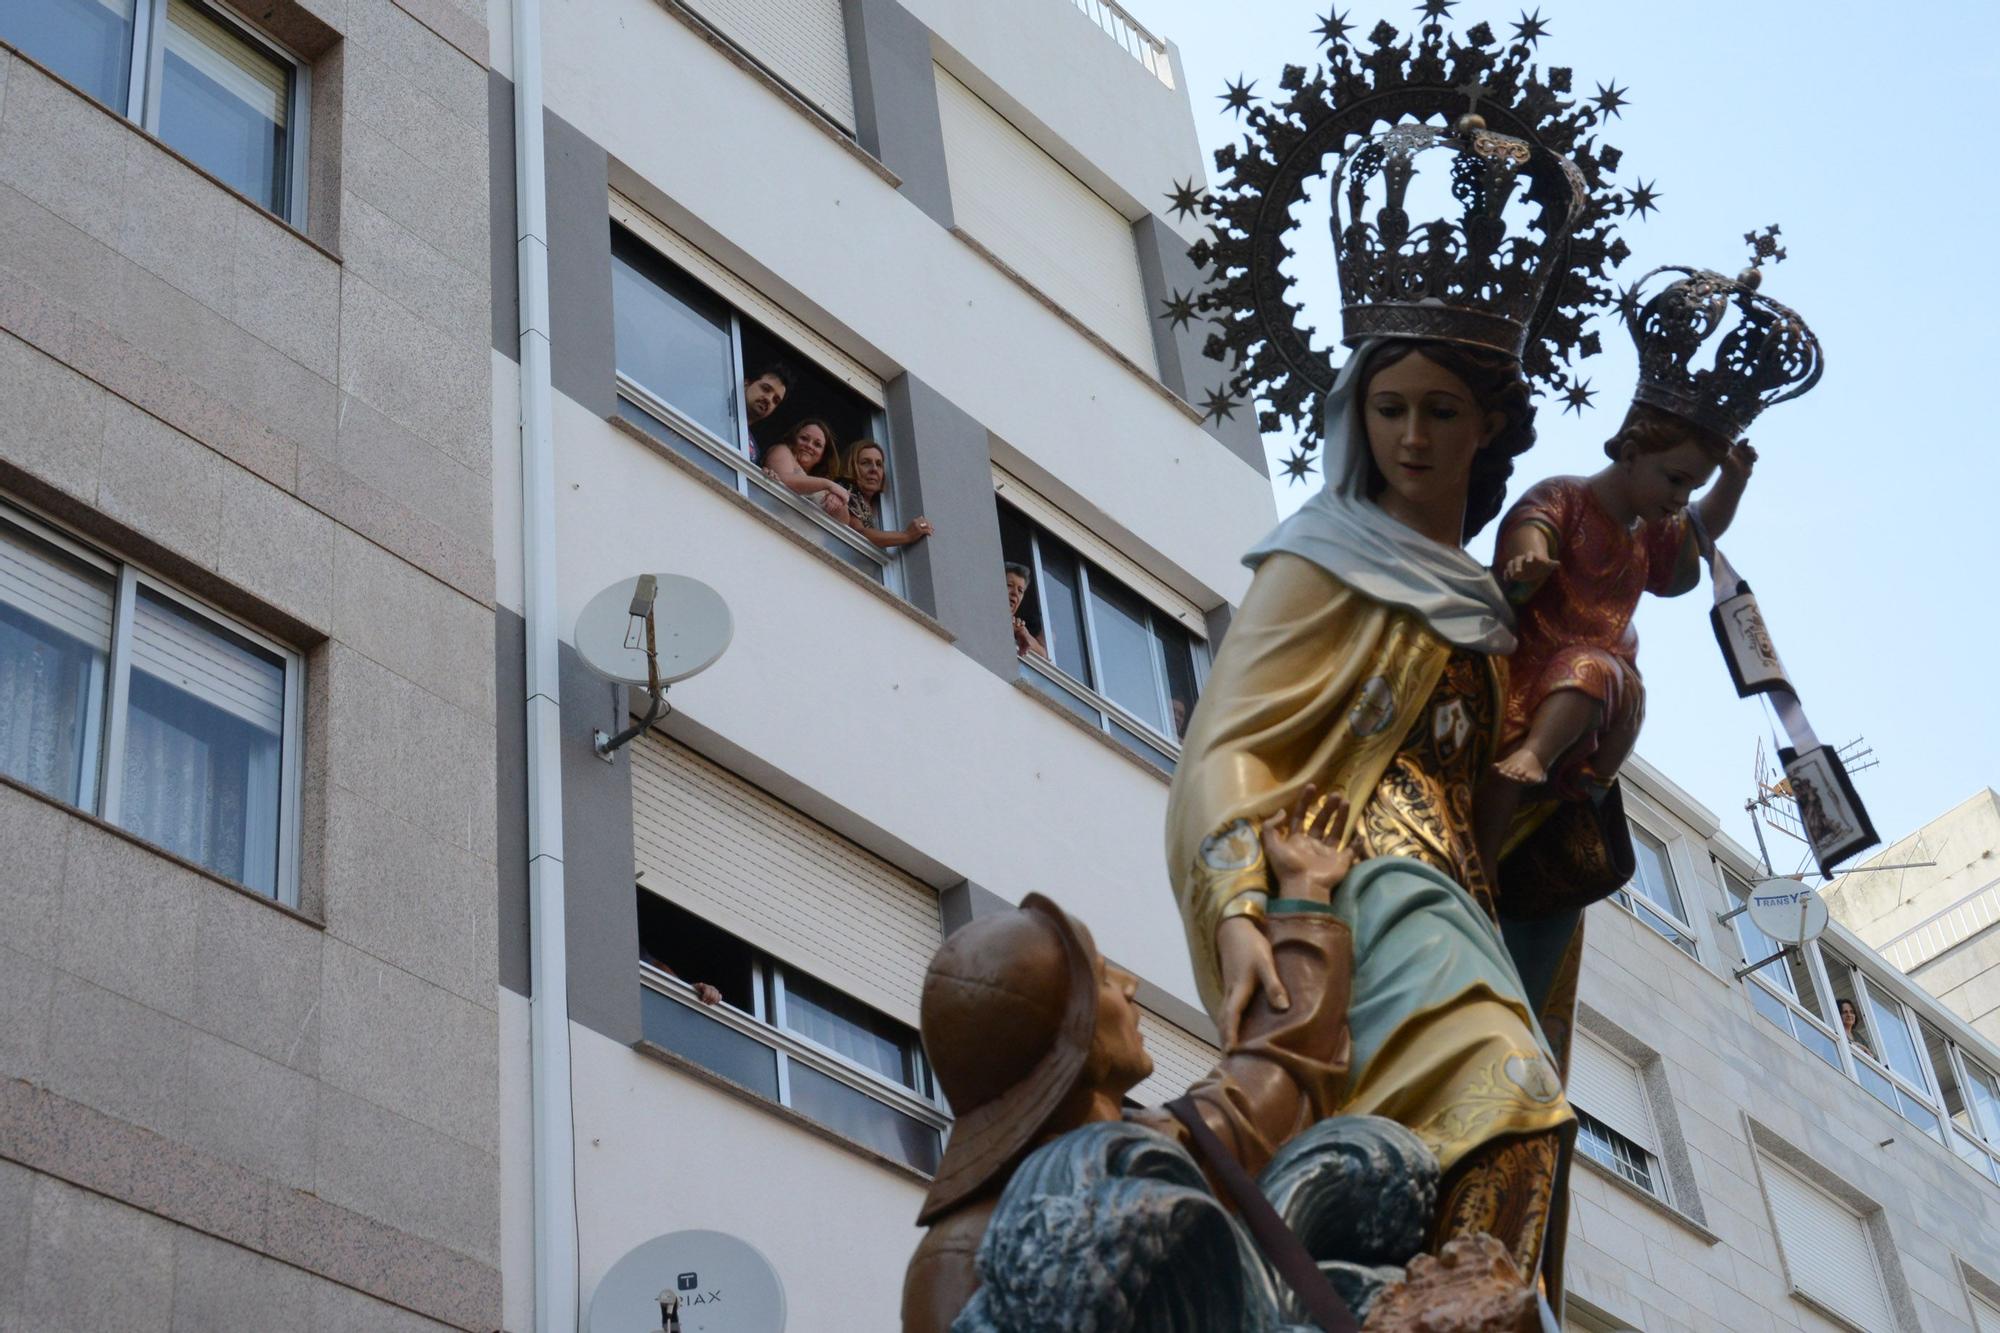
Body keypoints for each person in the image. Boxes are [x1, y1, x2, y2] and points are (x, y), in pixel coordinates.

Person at [1167, 337, 1584, 1282]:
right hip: (1356, 876)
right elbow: (1230, 740)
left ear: (1486, 427)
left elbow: (1489, 779)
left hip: (1455, 896)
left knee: (1517, 1113)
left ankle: (1455, 1294)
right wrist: (1234, 900)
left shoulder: (1493, 602)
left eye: (1439, 411)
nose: (1411, 435)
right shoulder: (1318, 559)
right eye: (1388, 408)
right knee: (1506, 1079)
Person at [903, 790, 1357, 1333]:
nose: (1130, 985)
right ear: (1074, 1049)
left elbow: (1275, 1070)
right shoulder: (958, 1256)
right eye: (1100, 978)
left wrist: (1304, 889)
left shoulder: (1170, 1147)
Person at [1487, 410, 1756, 797]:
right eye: (1675, 480)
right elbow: (1534, 522)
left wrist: (1733, 482)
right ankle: (1532, 757)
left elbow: (1699, 530)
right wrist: (1529, 555)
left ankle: (1582, 774)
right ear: (1630, 456)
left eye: (1692, 488)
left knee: (1600, 676)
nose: (1681, 498)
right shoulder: (1566, 495)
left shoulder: (1651, 528)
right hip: (1534, 651)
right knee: (1586, 671)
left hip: (1606, 666)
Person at [840, 440, 934, 549]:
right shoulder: (846, 493)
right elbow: (859, 534)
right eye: (865, 463)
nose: (874, 469)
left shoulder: (882, 507)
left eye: (879, 464)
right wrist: (907, 535)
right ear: (850, 467)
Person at [761, 418, 851, 521]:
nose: (809, 445)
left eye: (817, 444)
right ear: (793, 439)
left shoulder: (825, 487)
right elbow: (783, 480)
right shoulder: (782, 450)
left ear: (823, 455)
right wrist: (829, 484)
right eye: (804, 438)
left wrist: (839, 501)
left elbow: (844, 522)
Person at [1003, 562, 1046, 659]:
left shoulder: (1017, 627)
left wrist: (1023, 634)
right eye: (1009, 585)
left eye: (1020, 590)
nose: (1015, 593)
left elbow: (1045, 657)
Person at [743, 363, 792, 429]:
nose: (769, 399)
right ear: (746, 384)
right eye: (766, 389)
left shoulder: (745, 439)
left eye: (775, 400)